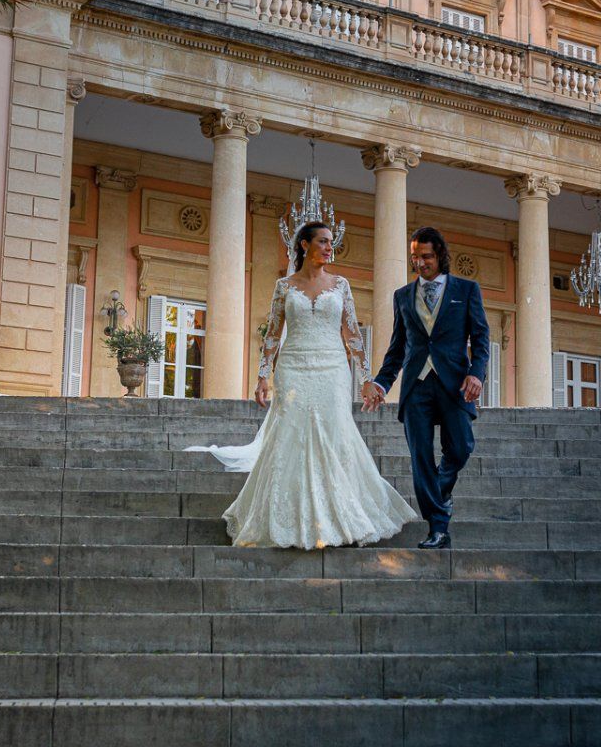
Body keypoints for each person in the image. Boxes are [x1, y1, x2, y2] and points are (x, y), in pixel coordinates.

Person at [192, 221, 418, 549]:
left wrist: (367, 379)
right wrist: (262, 376)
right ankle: (287, 517)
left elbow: (353, 334)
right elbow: (273, 333)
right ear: (304, 245)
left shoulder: (340, 285)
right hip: (293, 367)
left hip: (332, 369)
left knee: (334, 433)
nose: (329, 248)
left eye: (331, 242)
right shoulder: (284, 286)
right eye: (323, 241)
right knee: (290, 435)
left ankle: (338, 515)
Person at [361, 226, 490, 549]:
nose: (420, 263)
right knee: (421, 458)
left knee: (461, 448)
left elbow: (481, 338)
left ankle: (439, 493)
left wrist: (476, 374)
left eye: (426, 256)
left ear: (440, 255)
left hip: (455, 384)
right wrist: (381, 383)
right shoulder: (403, 296)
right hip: (416, 388)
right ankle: (438, 527)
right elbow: (397, 349)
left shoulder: (467, 290)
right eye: (415, 257)